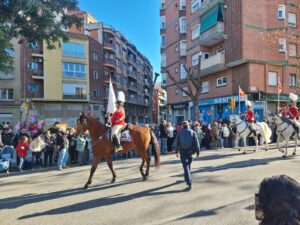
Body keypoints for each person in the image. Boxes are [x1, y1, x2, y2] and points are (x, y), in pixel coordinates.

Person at [174, 121, 200, 191]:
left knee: (186, 167)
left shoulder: (179, 133)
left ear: (182, 126)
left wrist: (176, 151)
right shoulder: (192, 132)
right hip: (190, 152)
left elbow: (176, 143)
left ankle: (189, 182)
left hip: (183, 152)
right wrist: (198, 153)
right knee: (188, 166)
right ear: (188, 125)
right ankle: (187, 178)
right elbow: (197, 143)